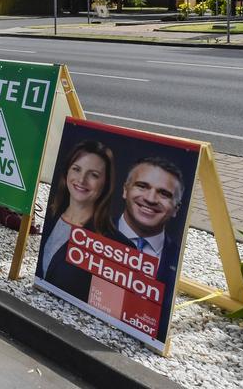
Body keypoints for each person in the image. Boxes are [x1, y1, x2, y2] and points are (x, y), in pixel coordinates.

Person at [110, 156, 184, 341]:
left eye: (164, 194)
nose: (150, 199)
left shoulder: (176, 258)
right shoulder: (89, 231)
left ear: (176, 208)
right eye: (142, 186)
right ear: (125, 190)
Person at [36, 140, 115, 302]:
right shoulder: (51, 216)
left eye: (94, 175)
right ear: (66, 173)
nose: (82, 179)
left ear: (106, 183)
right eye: (76, 169)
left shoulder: (114, 243)